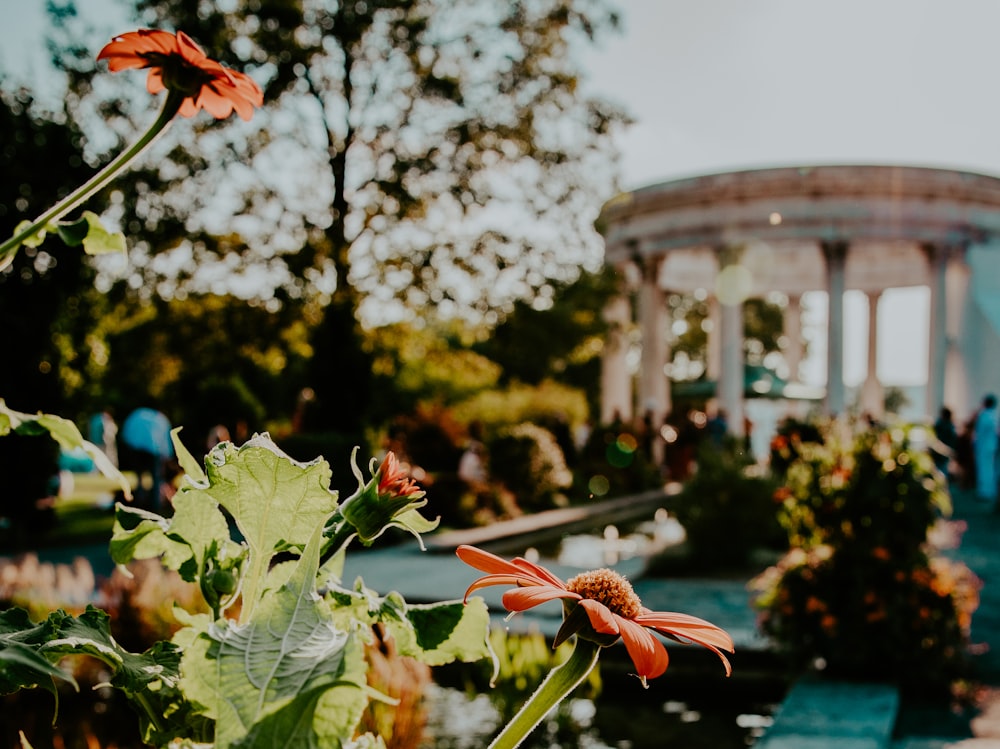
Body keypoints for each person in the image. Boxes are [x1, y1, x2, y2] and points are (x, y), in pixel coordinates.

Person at [121, 407, 175, 511]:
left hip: (137, 450)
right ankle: (155, 505)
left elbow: (127, 434)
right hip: (153, 451)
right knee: (155, 478)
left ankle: (139, 503)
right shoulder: (161, 420)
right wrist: (167, 456)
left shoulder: (138, 415)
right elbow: (165, 442)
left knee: (139, 478)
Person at [973, 394, 999, 504]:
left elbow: (979, 433)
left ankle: (985, 492)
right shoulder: (993, 416)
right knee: (989, 469)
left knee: (984, 469)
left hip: (983, 447)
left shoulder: (984, 416)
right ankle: (990, 491)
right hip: (991, 446)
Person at [930, 406, 959, 480]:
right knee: (943, 472)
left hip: (937, 453)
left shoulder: (937, 425)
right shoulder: (951, 427)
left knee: (936, 472)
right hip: (946, 453)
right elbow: (954, 440)